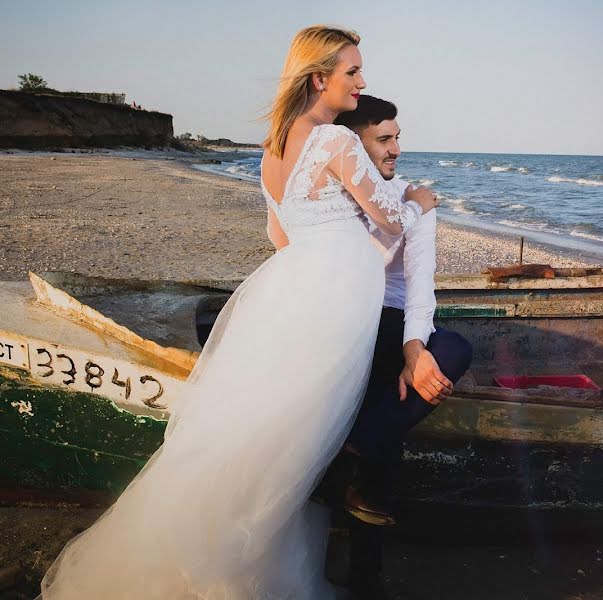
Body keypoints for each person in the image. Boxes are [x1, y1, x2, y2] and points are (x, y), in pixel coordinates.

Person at [39, 25, 437, 599]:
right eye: (352, 72)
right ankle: (230, 564)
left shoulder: (273, 147)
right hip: (333, 299)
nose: (362, 81)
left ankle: (202, 543)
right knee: (295, 436)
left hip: (293, 287)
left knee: (260, 427)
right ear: (319, 77)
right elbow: (390, 219)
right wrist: (418, 202)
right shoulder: (337, 142)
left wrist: (320, 259)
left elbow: (280, 234)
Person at [326, 95, 473, 598]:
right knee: (386, 411)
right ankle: (366, 574)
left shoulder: (416, 197)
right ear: (353, 144)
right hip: (345, 319)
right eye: (384, 139)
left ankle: (351, 456)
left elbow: (419, 285)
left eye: (397, 137)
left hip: (390, 321)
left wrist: (415, 350)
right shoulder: (336, 197)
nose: (396, 149)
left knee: (451, 352)